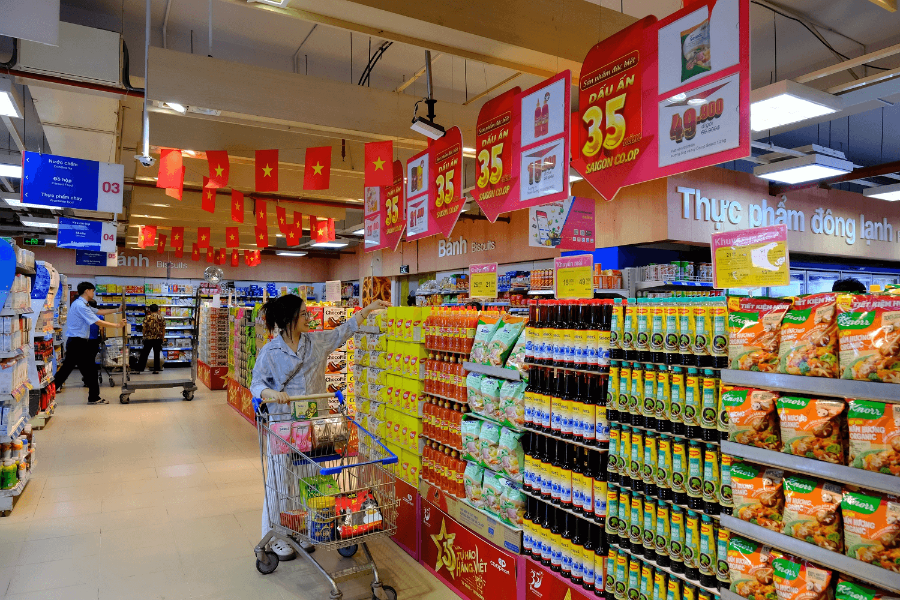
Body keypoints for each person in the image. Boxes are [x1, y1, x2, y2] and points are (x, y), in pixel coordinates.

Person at [250, 294, 390, 560]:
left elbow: (343, 331)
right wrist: (271, 393)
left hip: (315, 427)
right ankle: (274, 535)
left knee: (310, 481)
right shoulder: (271, 352)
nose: (309, 317)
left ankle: (305, 528)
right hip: (283, 427)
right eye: (303, 314)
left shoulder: (316, 342)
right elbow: (256, 384)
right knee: (279, 482)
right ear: (289, 319)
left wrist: (368, 309)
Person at [56, 282, 123, 405]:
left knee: (69, 370)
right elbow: (97, 321)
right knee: (86, 370)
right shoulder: (80, 306)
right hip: (78, 343)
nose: (93, 293)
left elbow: (99, 312)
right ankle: (93, 397)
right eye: (92, 291)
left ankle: (48, 394)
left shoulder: (82, 304)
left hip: (77, 342)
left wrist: (117, 310)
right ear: (87, 291)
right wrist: (117, 325)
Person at [136, 304, 166, 374]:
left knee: (144, 354)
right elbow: (163, 329)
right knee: (157, 353)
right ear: (158, 310)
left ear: (150, 310)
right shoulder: (161, 318)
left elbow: (144, 328)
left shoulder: (147, 317)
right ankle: (156, 369)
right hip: (158, 338)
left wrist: (144, 335)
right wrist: (163, 337)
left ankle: (139, 369)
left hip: (148, 338)